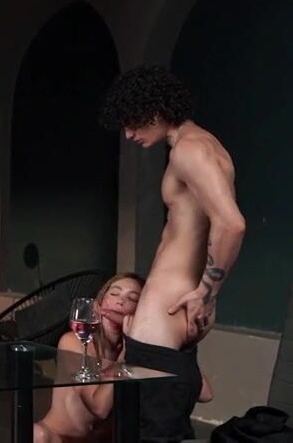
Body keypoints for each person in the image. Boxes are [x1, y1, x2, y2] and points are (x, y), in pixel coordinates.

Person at [99, 65, 245, 441]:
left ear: (156, 110)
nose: (128, 134)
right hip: (176, 314)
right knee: (161, 428)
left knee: (148, 431)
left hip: (166, 316)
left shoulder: (190, 150)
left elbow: (231, 225)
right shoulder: (205, 145)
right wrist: (207, 296)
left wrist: (206, 293)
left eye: (132, 122)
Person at [33, 274, 213, 443]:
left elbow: (205, 394)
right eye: (114, 294)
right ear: (98, 306)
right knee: (37, 435)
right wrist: (127, 351)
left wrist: (181, 345)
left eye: (133, 299)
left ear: (141, 314)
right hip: (58, 437)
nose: (121, 301)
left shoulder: (138, 352)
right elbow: (100, 407)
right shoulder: (74, 342)